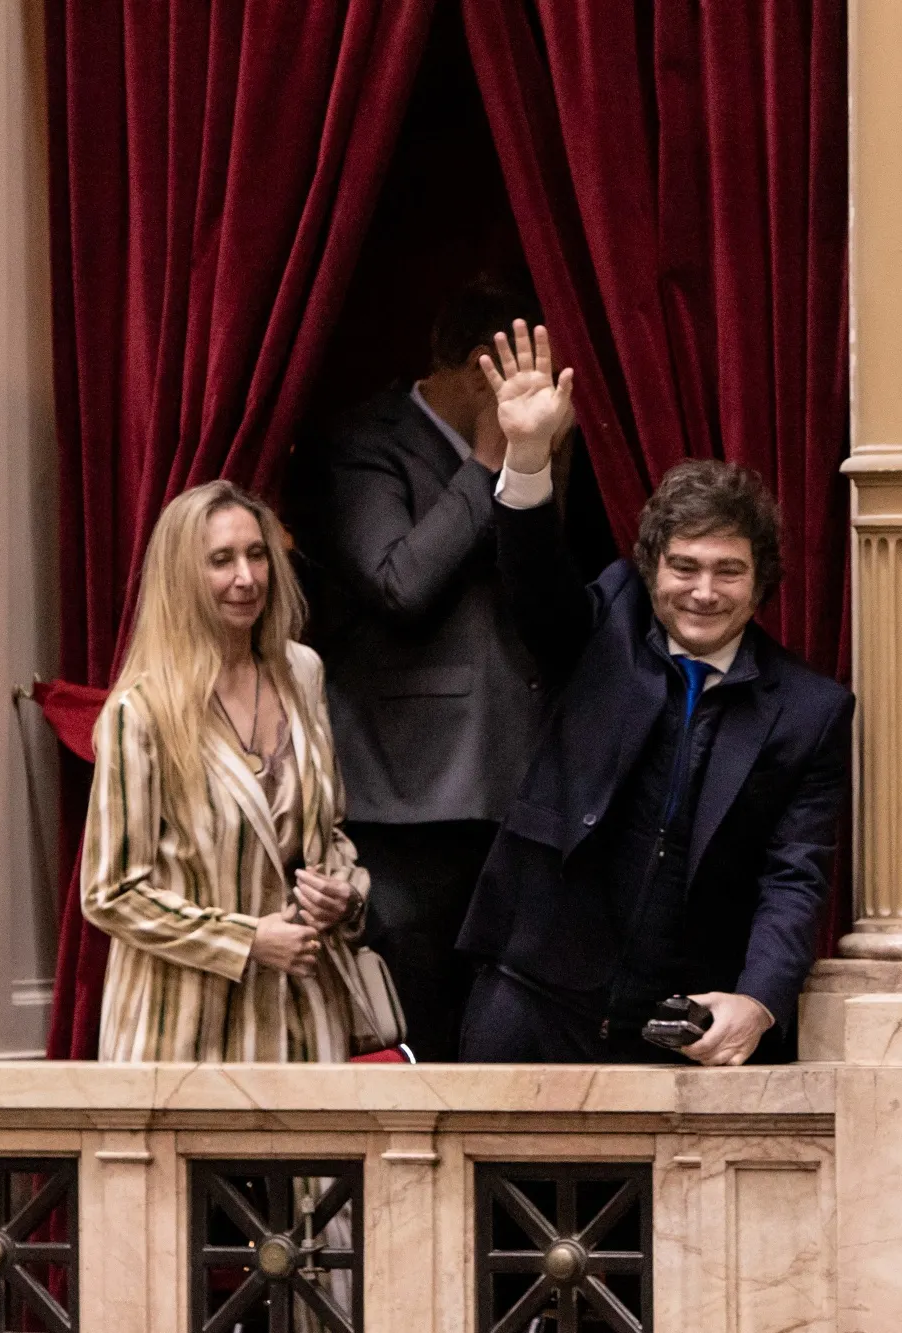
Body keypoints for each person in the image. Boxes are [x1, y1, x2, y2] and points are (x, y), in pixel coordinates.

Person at [456, 323, 854, 1066]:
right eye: (684, 566)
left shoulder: (810, 710)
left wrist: (760, 999)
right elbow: (536, 583)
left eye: (729, 570)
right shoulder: (604, 620)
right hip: (533, 997)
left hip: (679, 1023)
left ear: (762, 581)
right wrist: (530, 454)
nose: (704, 591)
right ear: (650, 566)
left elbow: (794, 872)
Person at [313, 281, 580, 1061]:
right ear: (482, 368)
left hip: (523, 787)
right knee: (423, 1027)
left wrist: (533, 466)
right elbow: (400, 582)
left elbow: (553, 604)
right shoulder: (368, 442)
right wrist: (493, 456)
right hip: (410, 800)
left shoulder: (550, 447)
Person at [81, 480, 370, 1062]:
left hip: (304, 1028)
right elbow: (110, 892)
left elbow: (328, 831)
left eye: (256, 554)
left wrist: (345, 894)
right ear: (182, 576)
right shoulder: (141, 710)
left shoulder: (301, 673)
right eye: (222, 560)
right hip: (183, 1036)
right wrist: (246, 940)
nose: (246, 577)